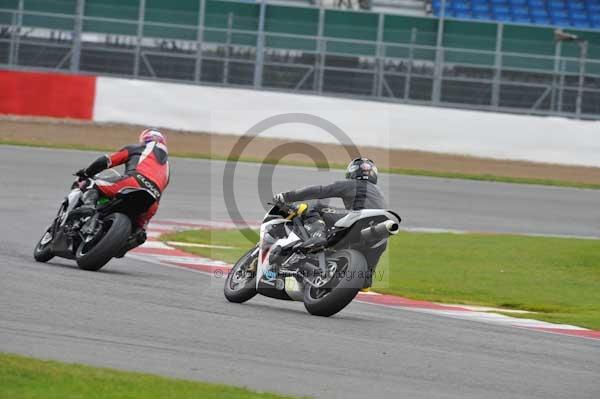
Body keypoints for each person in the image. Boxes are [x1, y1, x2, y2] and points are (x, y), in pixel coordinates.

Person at [272, 157, 386, 288]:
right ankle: (365, 277)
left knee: (316, 206)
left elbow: (320, 190)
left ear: (353, 171)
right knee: (378, 249)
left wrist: (287, 196)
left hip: (359, 219)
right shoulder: (379, 192)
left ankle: (318, 235)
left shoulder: (352, 184)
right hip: (377, 232)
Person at [75, 128, 170, 254]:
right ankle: (131, 239)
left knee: (92, 184)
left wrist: (87, 172)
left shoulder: (136, 149)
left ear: (144, 140)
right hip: (153, 200)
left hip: (132, 182)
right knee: (140, 229)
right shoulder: (167, 169)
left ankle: (88, 206)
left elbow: (105, 161)